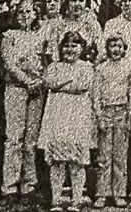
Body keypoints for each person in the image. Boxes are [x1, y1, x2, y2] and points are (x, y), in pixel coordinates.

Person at [39, 31, 97, 212]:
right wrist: (66, 83)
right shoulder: (54, 66)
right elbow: (49, 82)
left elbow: (82, 86)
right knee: (57, 160)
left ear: (81, 48)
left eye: (74, 45)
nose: (69, 49)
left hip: (77, 117)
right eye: (66, 45)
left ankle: (76, 199)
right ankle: (56, 199)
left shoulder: (86, 67)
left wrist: (61, 85)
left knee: (76, 161)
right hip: (57, 117)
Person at [0, 0, 47, 200]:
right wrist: (27, 81)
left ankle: (29, 182)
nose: (25, 16)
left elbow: (47, 61)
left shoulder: (40, 36)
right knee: (14, 137)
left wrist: (39, 81)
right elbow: (9, 64)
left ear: (35, 14)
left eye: (29, 12)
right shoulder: (9, 36)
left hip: (36, 91)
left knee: (31, 138)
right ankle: (10, 183)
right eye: (21, 12)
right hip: (16, 88)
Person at [93, 35, 131, 208]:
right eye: (112, 46)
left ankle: (119, 193)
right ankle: (102, 193)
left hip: (122, 112)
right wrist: (99, 115)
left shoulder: (129, 68)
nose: (116, 49)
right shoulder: (101, 69)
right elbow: (96, 95)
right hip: (106, 112)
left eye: (119, 46)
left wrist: (129, 116)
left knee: (120, 155)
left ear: (124, 49)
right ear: (107, 49)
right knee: (104, 155)